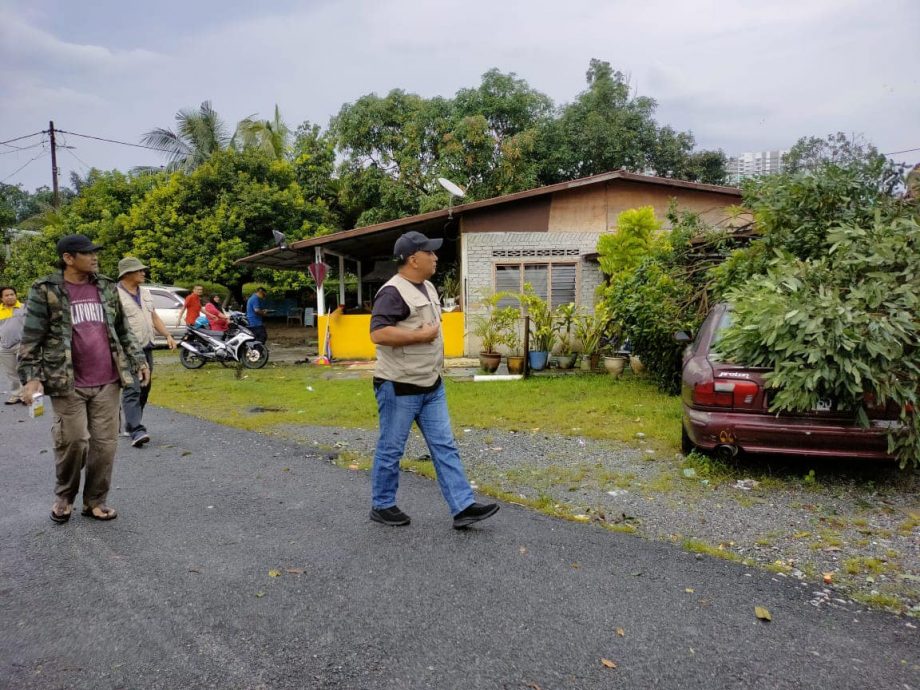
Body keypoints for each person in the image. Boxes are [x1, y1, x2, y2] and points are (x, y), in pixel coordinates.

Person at [369, 231, 499, 529]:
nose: (436, 257)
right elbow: (378, 333)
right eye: (430, 252)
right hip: (399, 386)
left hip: (431, 384)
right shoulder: (392, 292)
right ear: (414, 259)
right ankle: (383, 504)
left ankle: (463, 506)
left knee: (445, 445)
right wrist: (420, 336)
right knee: (391, 447)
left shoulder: (427, 286)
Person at [18, 234, 149, 524]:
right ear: (68, 258)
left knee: (105, 445)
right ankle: (64, 496)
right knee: (74, 441)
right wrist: (31, 378)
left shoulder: (104, 286)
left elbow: (122, 329)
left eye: (95, 253)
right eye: (87, 253)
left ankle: (95, 501)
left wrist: (138, 359)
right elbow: (31, 338)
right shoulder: (46, 290)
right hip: (67, 382)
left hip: (107, 380)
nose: (94, 257)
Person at [116, 257, 177, 448]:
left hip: (147, 347)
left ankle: (130, 422)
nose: (143, 273)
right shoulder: (114, 295)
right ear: (127, 274)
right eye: (139, 270)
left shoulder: (145, 292)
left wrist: (167, 335)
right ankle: (136, 430)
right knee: (132, 387)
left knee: (145, 387)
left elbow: (153, 316)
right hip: (127, 350)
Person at [0, 286, 25, 404]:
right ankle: (16, 395)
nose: (10, 297)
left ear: (16, 295)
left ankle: (27, 395)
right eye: (6, 295)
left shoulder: (24, 308)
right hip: (4, 346)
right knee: (11, 372)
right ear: (1, 298)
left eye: (12, 294)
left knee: (24, 370)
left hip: (22, 344)